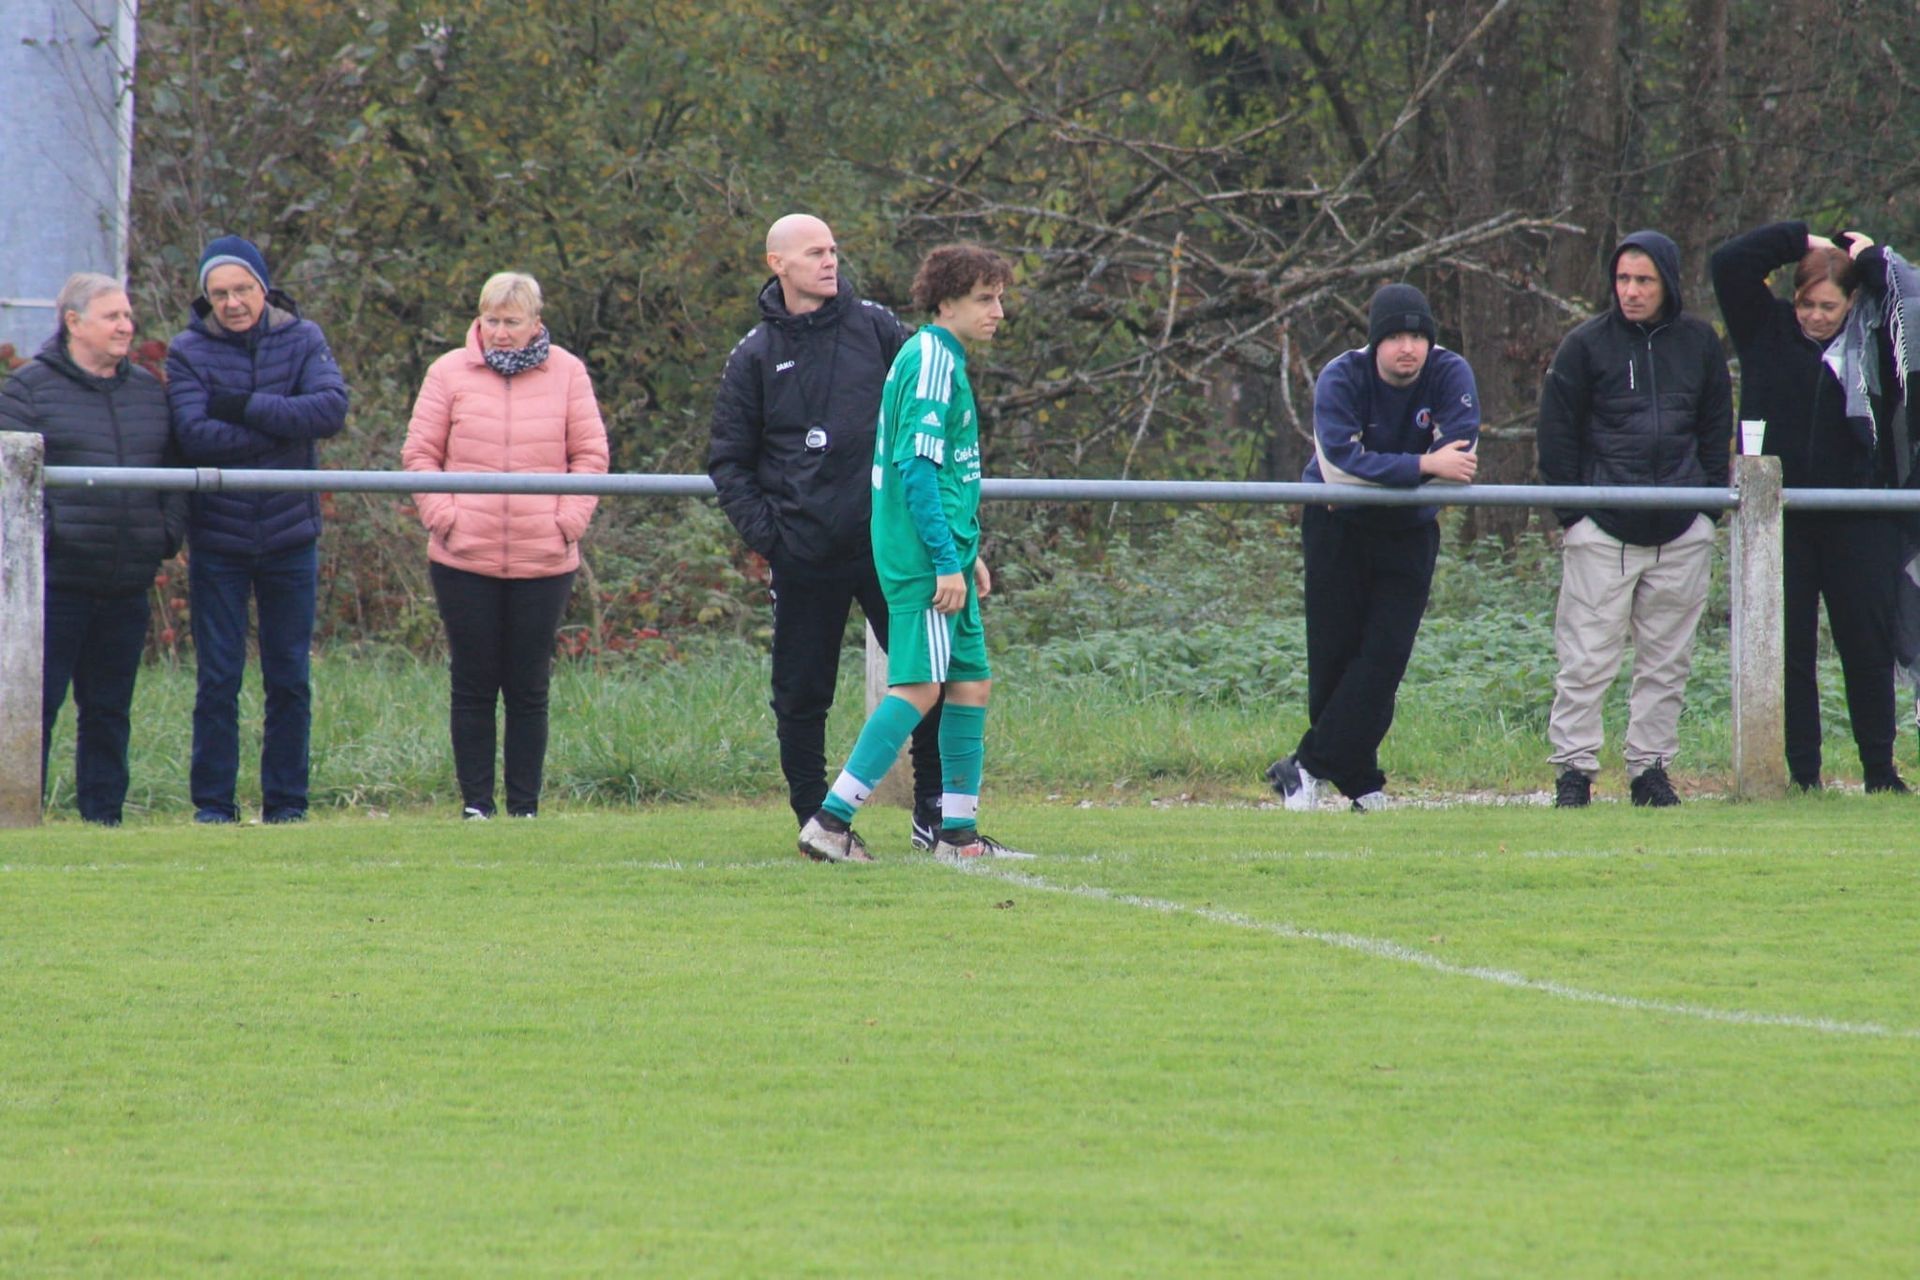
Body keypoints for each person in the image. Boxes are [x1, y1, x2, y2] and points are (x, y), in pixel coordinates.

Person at [710, 214, 999, 852]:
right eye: (815, 252)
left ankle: (934, 817)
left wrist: (952, 546)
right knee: (802, 690)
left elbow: (926, 434)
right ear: (776, 262)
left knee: (933, 672)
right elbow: (728, 462)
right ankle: (820, 820)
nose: (829, 261)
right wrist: (775, 538)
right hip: (806, 551)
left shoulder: (877, 329)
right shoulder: (755, 353)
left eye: (834, 249)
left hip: (887, 546)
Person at [795, 243, 1028, 863]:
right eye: (985, 299)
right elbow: (917, 469)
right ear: (944, 302)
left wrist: (966, 551)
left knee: (970, 684)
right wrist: (944, 561)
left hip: (946, 549)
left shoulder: (941, 356)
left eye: (1000, 298)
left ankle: (957, 837)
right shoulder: (929, 359)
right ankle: (830, 820)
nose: (998, 311)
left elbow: (945, 473)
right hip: (924, 560)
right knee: (921, 687)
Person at [1711, 222, 1910, 793]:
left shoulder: (1877, 338)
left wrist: (1866, 256)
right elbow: (1729, 262)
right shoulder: (1764, 330)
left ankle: (1879, 769)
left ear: (1852, 301)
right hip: (1780, 519)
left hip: (1860, 514)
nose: (1816, 317)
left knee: (1865, 645)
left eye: (1829, 305)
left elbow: (1907, 296)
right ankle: (1803, 774)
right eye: (1806, 304)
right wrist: (1801, 241)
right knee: (1787, 648)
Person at [1266, 284, 1480, 813]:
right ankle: (1361, 783)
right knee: (1335, 656)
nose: (1407, 347)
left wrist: (1392, 474)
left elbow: (1460, 468)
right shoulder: (1342, 375)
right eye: (1395, 337)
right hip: (1337, 524)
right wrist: (1422, 465)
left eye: (1417, 336)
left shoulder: (1451, 373)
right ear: (1374, 342)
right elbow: (1339, 469)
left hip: (1407, 532)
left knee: (1385, 657)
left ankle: (1306, 766)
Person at [402, 272, 609, 819]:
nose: (498, 331)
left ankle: (524, 807)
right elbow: (420, 455)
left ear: (534, 323)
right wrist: (445, 518)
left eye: (511, 321)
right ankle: (476, 805)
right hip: (462, 556)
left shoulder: (569, 373)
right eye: (490, 319)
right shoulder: (447, 373)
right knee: (471, 683)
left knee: (527, 686)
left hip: (544, 558)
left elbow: (590, 455)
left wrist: (567, 523)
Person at [1537, 231, 1733, 807]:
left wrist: (1704, 512)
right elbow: (1558, 436)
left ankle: (1650, 771)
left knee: (1667, 662)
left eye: (1643, 280)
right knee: (1585, 660)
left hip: (1680, 529)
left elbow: (1715, 427)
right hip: (1603, 528)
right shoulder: (1584, 345)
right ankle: (1574, 771)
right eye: (1623, 279)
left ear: (1668, 282)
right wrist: (1575, 516)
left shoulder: (1700, 344)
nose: (1631, 291)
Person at [167, 235, 349, 824]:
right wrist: (283, 426)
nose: (232, 302)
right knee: (218, 679)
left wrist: (242, 404)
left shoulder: (305, 338)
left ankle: (287, 804)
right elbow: (195, 435)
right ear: (206, 298)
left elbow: (328, 412)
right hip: (218, 539)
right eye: (219, 293)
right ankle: (214, 806)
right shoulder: (187, 351)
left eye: (241, 289)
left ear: (262, 287)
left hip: (290, 535)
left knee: (289, 677)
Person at [0, 272, 184, 824]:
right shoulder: (27, 390)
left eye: (128, 316)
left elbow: (173, 473)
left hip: (126, 581)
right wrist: (54, 543)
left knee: (109, 711)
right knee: (38, 709)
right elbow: (12, 482)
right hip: (55, 585)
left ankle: (103, 821)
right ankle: (18, 817)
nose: (127, 326)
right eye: (113, 316)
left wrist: (163, 535)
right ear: (73, 322)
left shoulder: (150, 393)